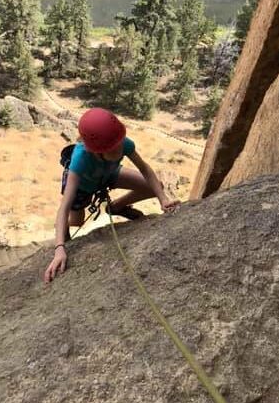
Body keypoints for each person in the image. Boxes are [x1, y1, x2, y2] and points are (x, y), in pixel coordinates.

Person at [44, 108, 179, 282]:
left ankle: (115, 207)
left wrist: (163, 198)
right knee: (76, 221)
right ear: (95, 150)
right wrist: (60, 248)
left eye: (118, 146)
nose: (118, 151)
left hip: (108, 175)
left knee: (155, 186)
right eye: (112, 150)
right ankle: (60, 230)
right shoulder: (80, 161)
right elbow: (64, 206)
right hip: (81, 188)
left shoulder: (122, 143)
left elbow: (144, 169)